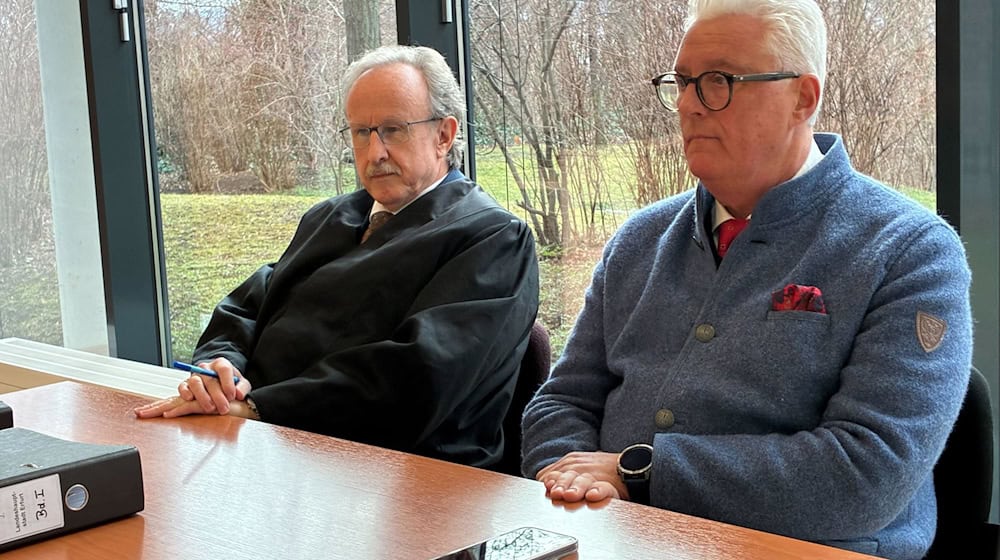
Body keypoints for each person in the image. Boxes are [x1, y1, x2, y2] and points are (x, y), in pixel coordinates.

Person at [520, 1, 972, 559]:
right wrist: (568, 477)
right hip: (611, 534)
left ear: (803, 98)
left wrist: (639, 472)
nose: (688, 105)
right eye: (682, 82)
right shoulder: (640, 239)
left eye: (718, 82)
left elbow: (867, 472)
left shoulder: (909, 250)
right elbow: (561, 401)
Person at [136, 45, 539, 469]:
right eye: (361, 133)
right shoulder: (329, 217)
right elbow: (246, 309)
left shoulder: (493, 238)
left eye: (393, 130)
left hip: (402, 479)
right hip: (267, 446)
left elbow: (418, 379)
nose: (375, 152)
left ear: (444, 135)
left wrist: (259, 408)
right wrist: (220, 372)